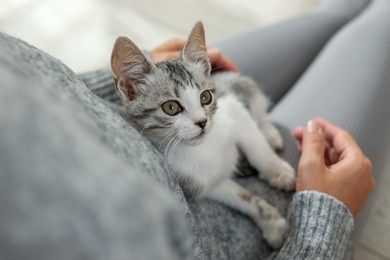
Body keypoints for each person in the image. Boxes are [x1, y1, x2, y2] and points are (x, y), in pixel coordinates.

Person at [0, 0, 388, 260]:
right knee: (378, 27)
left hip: (153, 96)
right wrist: (323, 223)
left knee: (335, 15)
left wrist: (134, 78)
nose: (201, 119)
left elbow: (31, 78)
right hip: (223, 223)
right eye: (175, 109)